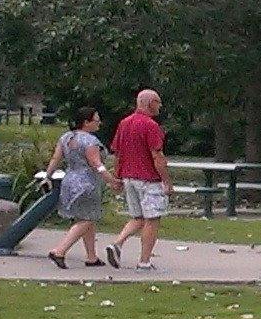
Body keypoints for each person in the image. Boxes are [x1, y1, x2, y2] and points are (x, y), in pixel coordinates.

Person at [46, 106, 118, 271]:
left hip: (70, 180)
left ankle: (91, 257)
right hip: (87, 184)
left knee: (86, 218)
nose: (99, 123)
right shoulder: (91, 141)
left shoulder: (66, 137)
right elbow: (96, 164)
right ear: (86, 122)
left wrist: (47, 176)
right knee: (87, 219)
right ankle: (59, 251)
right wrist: (111, 180)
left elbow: (56, 158)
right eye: (96, 120)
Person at [113, 87, 170, 270]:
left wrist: (117, 176)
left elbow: (118, 153)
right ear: (150, 103)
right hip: (148, 180)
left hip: (129, 177)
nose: (160, 106)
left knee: (137, 217)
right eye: (158, 102)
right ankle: (144, 261)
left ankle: (118, 243)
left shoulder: (124, 123)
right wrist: (166, 181)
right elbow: (157, 156)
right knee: (152, 219)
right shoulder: (151, 125)